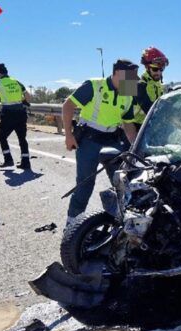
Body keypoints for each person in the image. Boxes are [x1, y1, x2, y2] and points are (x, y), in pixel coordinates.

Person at [62, 59, 139, 226]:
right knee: (85, 184)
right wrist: (68, 135)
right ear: (117, 73)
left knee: (122, 183)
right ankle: (72, 224)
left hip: (113, 141)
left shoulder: (128, 90)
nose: (134, 80)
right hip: (89, 141)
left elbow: (128, 123)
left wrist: (136, 147)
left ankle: (122, 222)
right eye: (131, 76)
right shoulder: (94, 85)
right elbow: (68, 105)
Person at [0, 63, 33, 169]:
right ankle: (26, 162)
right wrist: (24, 101)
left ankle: (8, 159)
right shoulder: (16, 81)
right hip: (21, 113)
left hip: (8, 115)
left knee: (2, 137)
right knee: (22, 138)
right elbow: (28, 96)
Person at [132, 47, 169, 131]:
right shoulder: (139, 85)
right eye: (155, 69)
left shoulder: (158, 85)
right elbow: (150, 109)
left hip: (151, 127)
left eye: (161, 69)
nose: (159, 72)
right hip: (137, 129)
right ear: (147, 67)